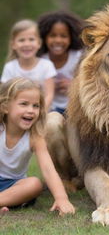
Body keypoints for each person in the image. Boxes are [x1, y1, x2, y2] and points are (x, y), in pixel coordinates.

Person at [0, 77, 75, 215]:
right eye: (24, 104)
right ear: (5, 107)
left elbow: (48, 169)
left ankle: (4, 201)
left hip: (14, 185)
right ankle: (6, 203)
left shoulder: (34, 136)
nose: (31, 110)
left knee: (34, 184)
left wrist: (62, 198)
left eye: (36, 105)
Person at [1, 19, 57, 111]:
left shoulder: (47, 66)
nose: (26, 44)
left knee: (54, 123)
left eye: (31, 39)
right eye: (21, 40)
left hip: (44, 112)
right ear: (13, 45)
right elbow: (4, 95)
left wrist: (38, 113)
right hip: (17, 113)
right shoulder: (10, 67)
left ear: (39, 43)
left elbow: (49, 95)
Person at [37, 11, 84, 115]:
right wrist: (46, 86)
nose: (58, 40)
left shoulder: (78, 57)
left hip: (74, 110)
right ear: (44, 38)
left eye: (63, 36)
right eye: (52, 36)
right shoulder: (40, 60)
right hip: (48, 110)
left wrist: (73, 86)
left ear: (71, 38)